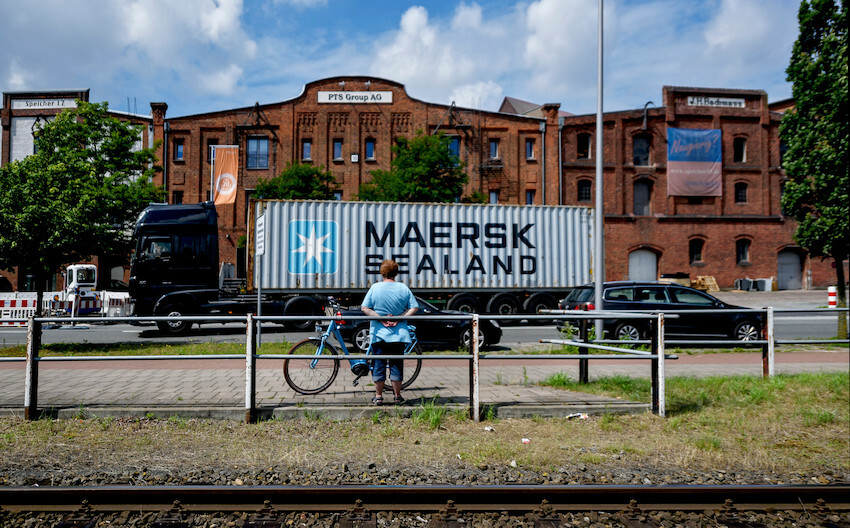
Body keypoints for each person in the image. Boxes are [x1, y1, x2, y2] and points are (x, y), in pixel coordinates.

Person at [361, 259, 418, 405]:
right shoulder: (403, 288)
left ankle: (378, 396)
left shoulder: (375, 288)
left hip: (379, 333)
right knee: (396, 364)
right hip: (398, 334)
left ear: (382, 272)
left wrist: (381, 319)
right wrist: (400, 318)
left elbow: (365, 308)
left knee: (378, 364)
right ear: (396, 273)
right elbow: (414, 307)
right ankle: (397, 396)